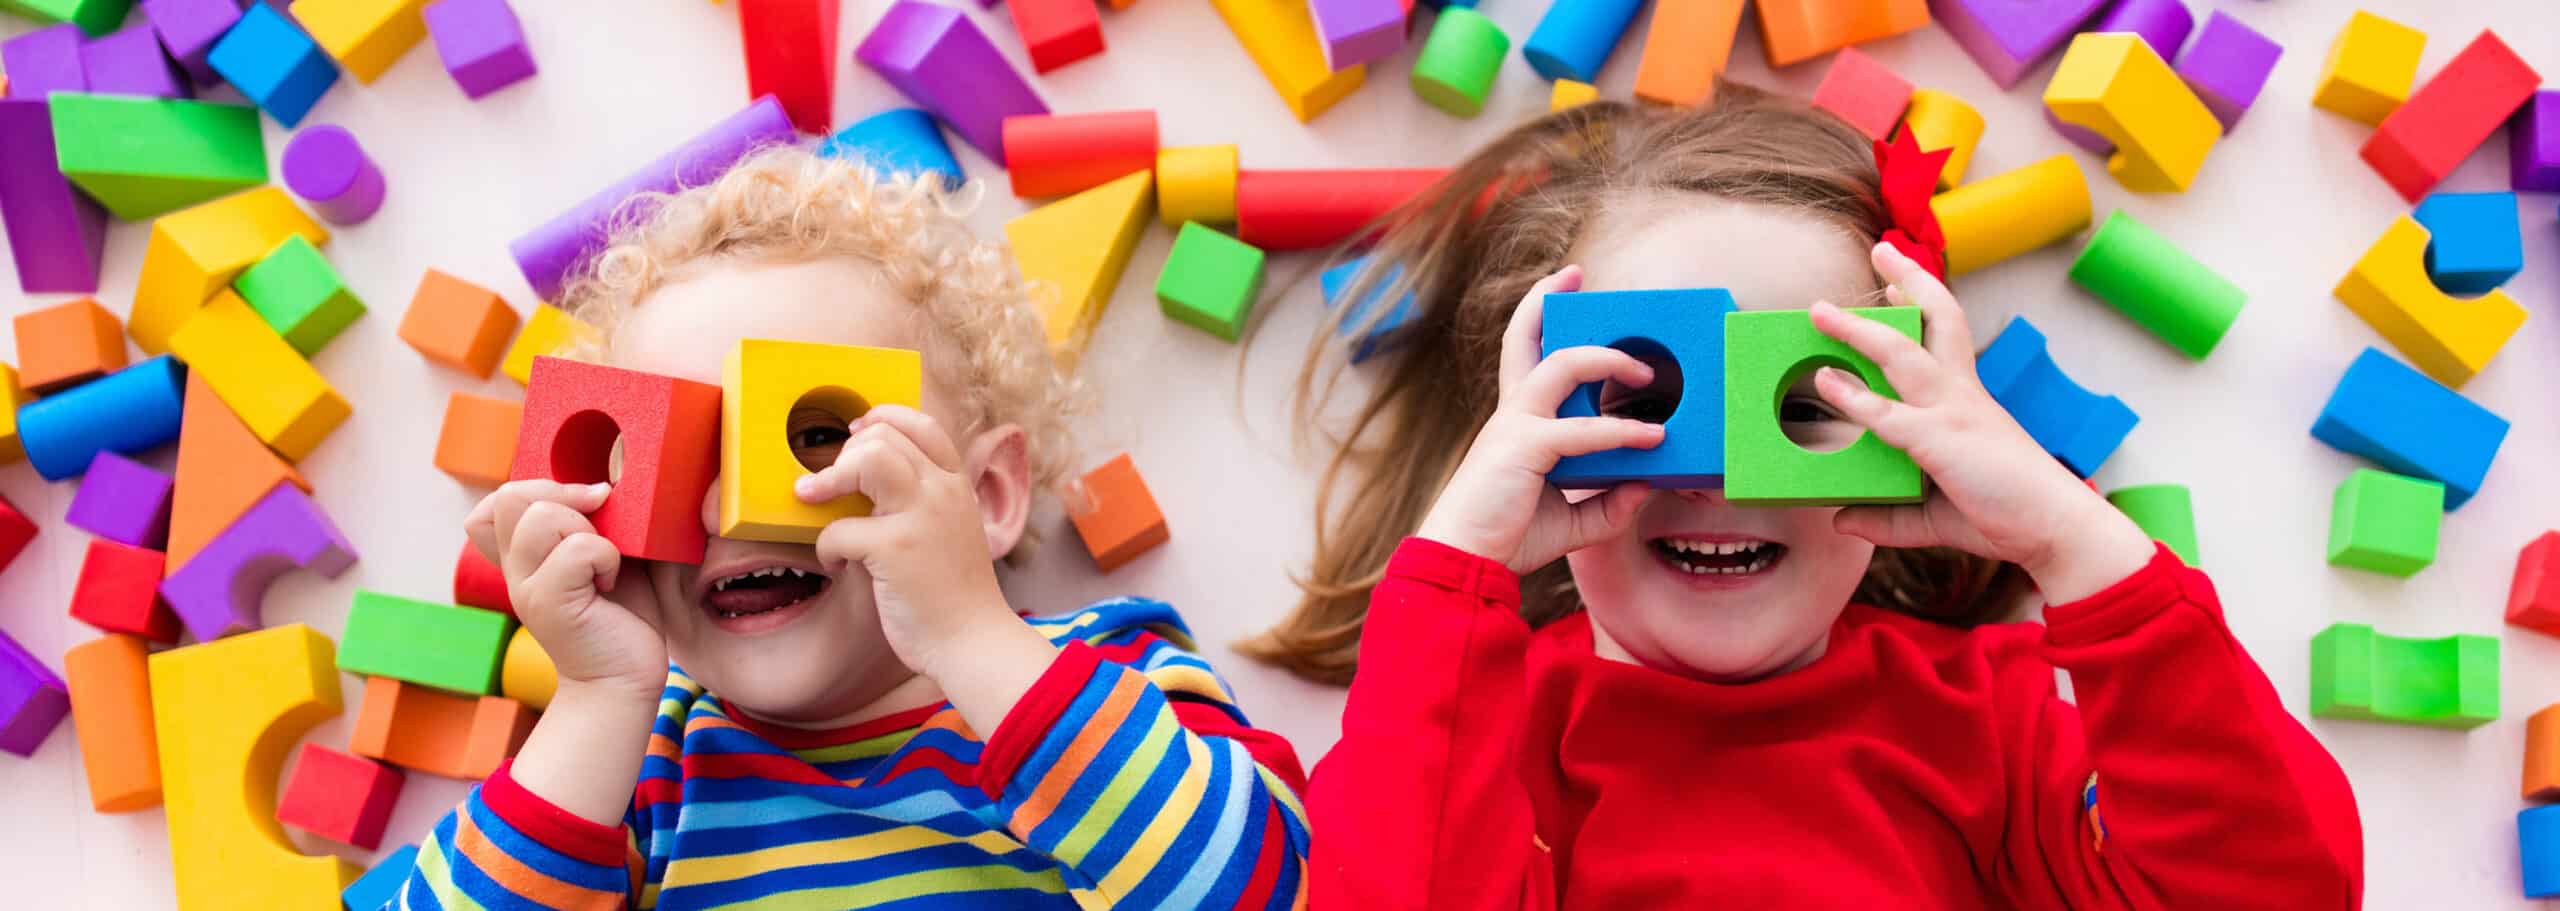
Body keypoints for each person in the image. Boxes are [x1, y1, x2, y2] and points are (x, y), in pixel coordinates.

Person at [1251, 84, 2361, 908]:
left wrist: (2073, 545)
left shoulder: (1986, 722)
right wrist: (1457, 572)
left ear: (1916, 438)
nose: (1723, 477)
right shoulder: (1484, 733)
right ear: (1542, 435)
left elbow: (2279, 890)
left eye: (1801, 407)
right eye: (1648, 401)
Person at [377, 145, 1310, 909]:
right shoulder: (636, 760)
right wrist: (593, 696)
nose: (723, 508)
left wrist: (970, 636)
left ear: (985, 496)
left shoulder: (1107, 678)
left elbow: (1274, 890)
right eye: (672, 461)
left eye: (815, 434)